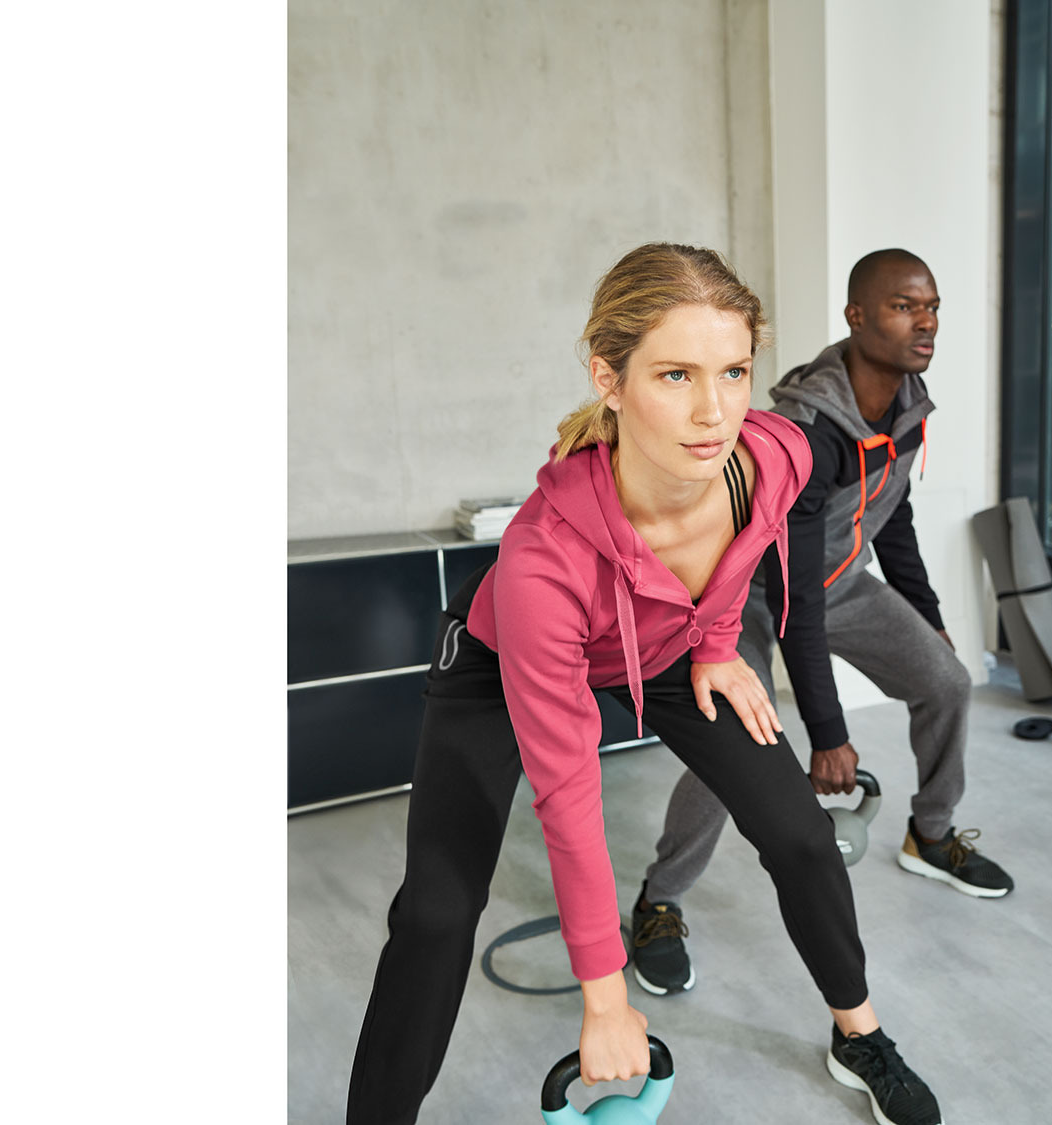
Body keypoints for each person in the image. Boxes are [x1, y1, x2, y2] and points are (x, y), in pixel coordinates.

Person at [345, 243, 944, 1125]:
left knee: (801, 834)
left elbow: (748, 547)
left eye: (733, 371)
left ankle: (859, 1036)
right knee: (437, 908)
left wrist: (714, 642)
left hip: (665, 642)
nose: (713, 411)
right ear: (609, 378)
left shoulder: (778, 453)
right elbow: (568, 792)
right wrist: (604, 995)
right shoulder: (543, 560)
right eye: (674, 375)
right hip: (503, 659)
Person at [631, 248, 1015, 998]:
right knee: (736, 738)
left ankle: (931, 834)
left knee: (946, 681)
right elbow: (793, 595)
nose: (926, 321)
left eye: (932, 306)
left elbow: (891, 514)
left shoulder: (907, 404)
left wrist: (928, 618)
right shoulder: (809, 430)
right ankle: (660, 899)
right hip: (740, 593)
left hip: (838, 583)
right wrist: (828, 733)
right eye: (905, 306)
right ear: (857, 316)